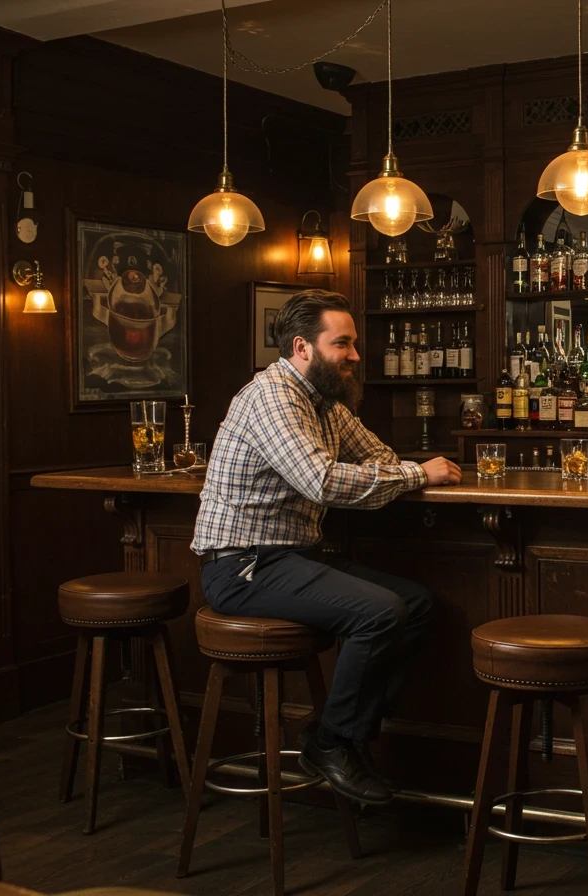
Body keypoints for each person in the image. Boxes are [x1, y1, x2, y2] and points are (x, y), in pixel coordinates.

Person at [191, 289, 461, 806]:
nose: (356, 356)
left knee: (418, 605)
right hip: (243, 567)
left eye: (354, 343)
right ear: (302, 347)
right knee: (380, 613)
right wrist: (415, 472)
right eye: (344, 344)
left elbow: (377, 455)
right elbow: (321, 481)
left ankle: (346, 737)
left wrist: (403, 471)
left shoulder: (324, 401)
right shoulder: (273, 397)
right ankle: (332, 743)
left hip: (291, 558)